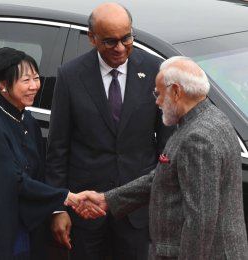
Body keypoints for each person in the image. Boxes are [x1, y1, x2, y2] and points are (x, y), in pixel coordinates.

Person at [72, 56, 248, 259]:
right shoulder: (211, 118)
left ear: (175, 91)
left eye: (158, 93)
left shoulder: (197, 138)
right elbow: (165, 175)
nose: (156, 102)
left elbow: (200, 220)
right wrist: (108, 200)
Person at [45, 2, 174, 259]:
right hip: (86, 210)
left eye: (126, 38)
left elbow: (167, 145)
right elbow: (57, 147)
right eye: (110, 41)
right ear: (92, 39)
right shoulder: (71, 76)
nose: (120, 48)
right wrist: (58, 208)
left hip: (137, 210)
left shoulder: (155, 70)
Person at [0, 47, 99, 260]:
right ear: (3, 85)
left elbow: (39, 171)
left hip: (29, 222)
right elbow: (12, 180)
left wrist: (57, 206)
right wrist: (67, 197)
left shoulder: (28, 120)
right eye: (25, 81)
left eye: (36, 78)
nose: (34, 86)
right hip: (2, 224)